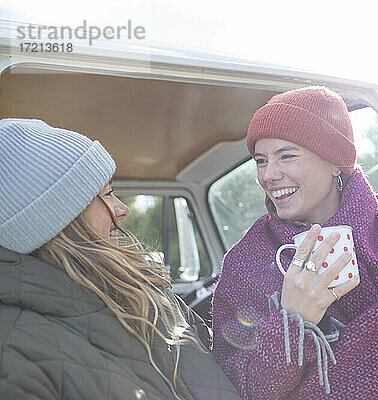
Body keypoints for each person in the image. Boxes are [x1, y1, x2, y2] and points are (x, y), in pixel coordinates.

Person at [211, 87, 378, 399]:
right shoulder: (245, 264)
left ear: (334, 162)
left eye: (286, 156)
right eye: (261, 161)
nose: (269, 175)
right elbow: (237, 387)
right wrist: (290, 323)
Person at [0, 119, 241, 400]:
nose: (122, 209)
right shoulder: (14, 357)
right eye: (108, 194)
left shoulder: (148, 291)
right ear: (58, 220)